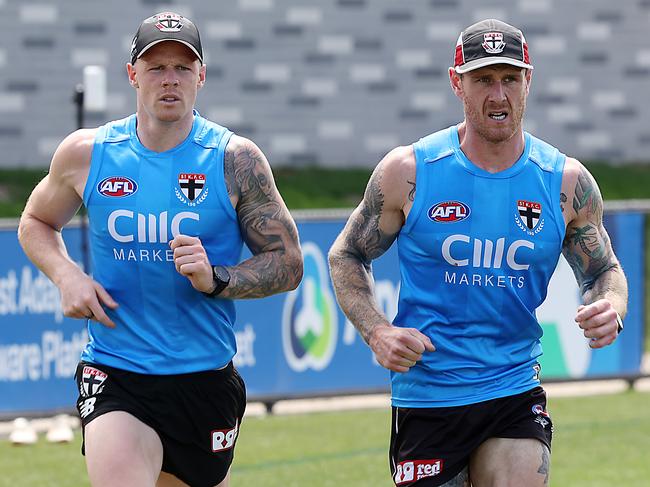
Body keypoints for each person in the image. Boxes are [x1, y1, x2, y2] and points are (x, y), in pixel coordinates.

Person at [328, 18, 627, 487]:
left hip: (512, 389)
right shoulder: (410, 171)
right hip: (428, 397)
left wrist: (612, 305)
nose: (498, 95)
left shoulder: (565, 182)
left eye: (509, 78)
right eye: (483, 79)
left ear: (529, 80)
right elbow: (346, 255)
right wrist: (378, 332)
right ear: (456, 83)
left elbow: (604, 268)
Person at [18, 11, 303, 487]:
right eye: (155, 68)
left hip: (205, 378)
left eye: (182, 68)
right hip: (116, 369)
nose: (169, 80)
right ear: (132, 74)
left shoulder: (235, 159)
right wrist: (66, 275)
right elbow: (37, 221)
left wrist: (217, 277)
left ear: (201, 76)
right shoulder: (88, 154)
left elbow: (289, 263)